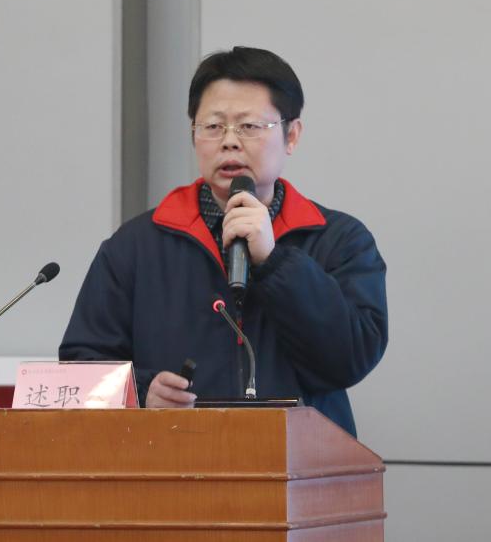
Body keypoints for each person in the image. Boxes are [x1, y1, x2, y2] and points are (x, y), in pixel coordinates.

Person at [58, 46, 387, 436]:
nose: (229, 141)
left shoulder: (339, 240)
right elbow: (81, 370)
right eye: (213, 126)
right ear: (193, 135)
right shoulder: (135, 247)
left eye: (249, 126)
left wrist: (275, 262)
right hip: (174, 461)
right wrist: (142, 393)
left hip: (299, 463)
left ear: (292, 135)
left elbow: (350, 360)